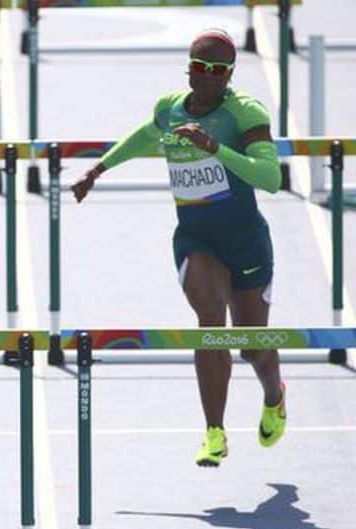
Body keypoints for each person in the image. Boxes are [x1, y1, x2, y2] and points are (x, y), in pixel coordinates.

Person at [71, 29, 286, 467]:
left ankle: (274, 395)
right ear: (188, 67)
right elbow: (145, 135)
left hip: (246, 241)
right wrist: (98, 169)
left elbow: (271, 179)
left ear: (229, 75)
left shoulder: (245, 114)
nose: (206, 76)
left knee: (252, 346)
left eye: (216, 71)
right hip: (196, 239)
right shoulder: (170, 109)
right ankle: (214, 432)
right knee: (209, 322)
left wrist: (214, 148)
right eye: (199, 67)